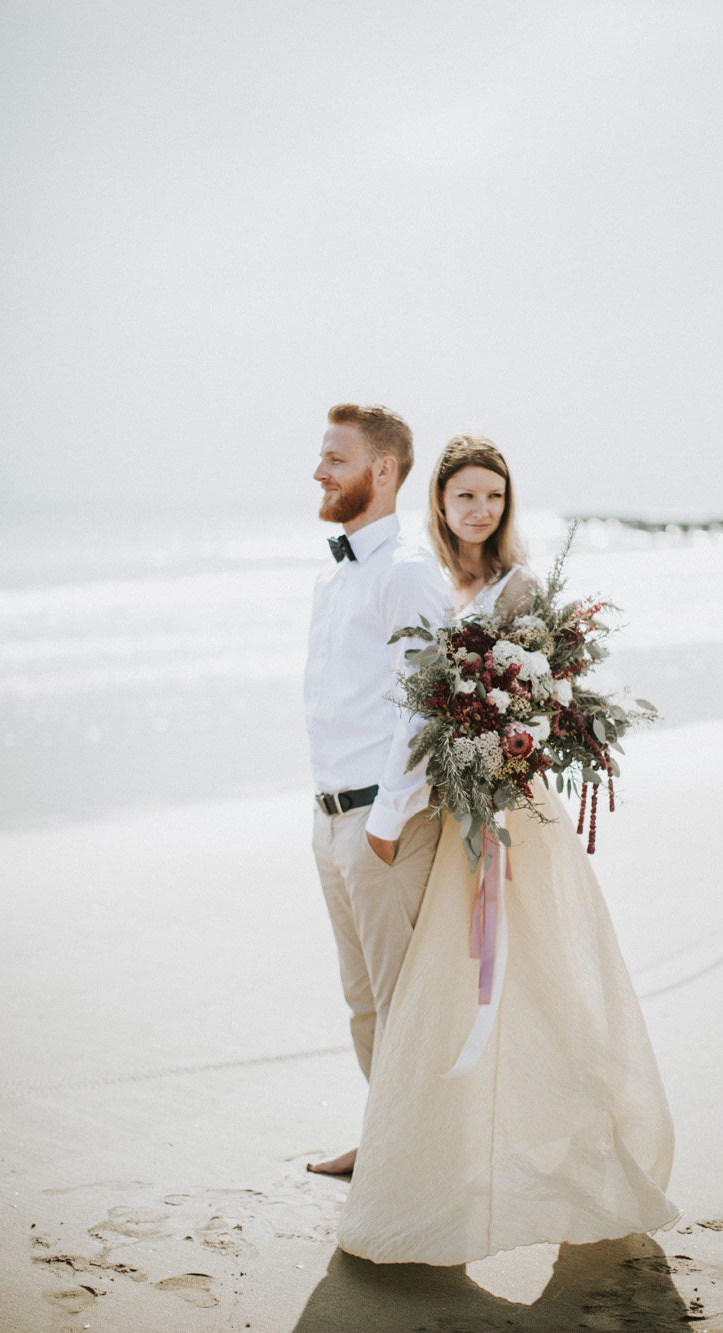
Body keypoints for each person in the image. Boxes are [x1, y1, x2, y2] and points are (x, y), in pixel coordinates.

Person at [337, 433, 678, 1263]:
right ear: (441, 504)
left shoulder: (518, 585)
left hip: (506, 811)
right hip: (444, 811)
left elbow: (543, 704)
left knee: (538, 981)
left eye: (492, 495)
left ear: (505, 503)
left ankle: (572, 1153)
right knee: (435, 989)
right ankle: (414, 1149)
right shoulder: (423, 579)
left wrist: (501, 741)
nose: (479, 509)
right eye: (465, 497)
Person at [304, 404, 449, 1176]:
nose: (319, 471)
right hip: (331, 820)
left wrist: (385, 822)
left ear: (382, 470)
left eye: (335, 458)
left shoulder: (406, 576)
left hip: (380, 824)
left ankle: (414, 1167)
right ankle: (387, 1140)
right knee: (362, 1001)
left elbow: (425, 709)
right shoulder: (334, 580)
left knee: (400, 1003)